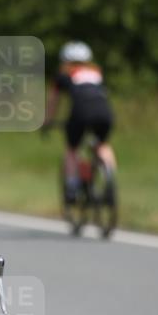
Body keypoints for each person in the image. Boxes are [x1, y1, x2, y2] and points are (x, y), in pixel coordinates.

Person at [43, 41, 116, 205]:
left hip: (81, 112)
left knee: (72, 149)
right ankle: (110, 181)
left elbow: (53, 101)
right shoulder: (97, 72)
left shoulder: (63, 74)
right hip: (105, 112)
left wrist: (47, 121)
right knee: (102, 145)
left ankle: (71, 187)